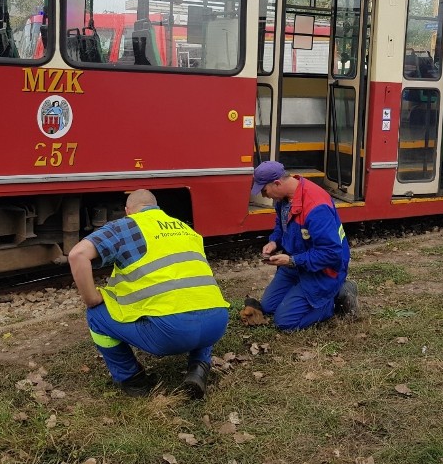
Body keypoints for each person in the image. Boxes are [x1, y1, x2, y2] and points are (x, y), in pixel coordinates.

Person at [68, 189, 229, 398]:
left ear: (128, 211)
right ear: (158, 208)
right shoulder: (185, 228)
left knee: (96, 315)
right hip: (217, 324)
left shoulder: (125, 226)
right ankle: (199, 366)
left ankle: (133, 380)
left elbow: (77, 254)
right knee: (196, 300)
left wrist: (92, 299)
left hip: (172, 333)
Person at [249, 161, 357, 331]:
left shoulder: (316, 206)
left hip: (323, 270)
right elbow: (281, 225)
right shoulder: (283, 199)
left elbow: (331, 253)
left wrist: (292, 260)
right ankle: (302, 293)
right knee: (268, 307)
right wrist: (274, 241)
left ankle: (335, 300)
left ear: (277, 183)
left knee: (284, 323)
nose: (265, 195)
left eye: (264, 190)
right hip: (297, 263)